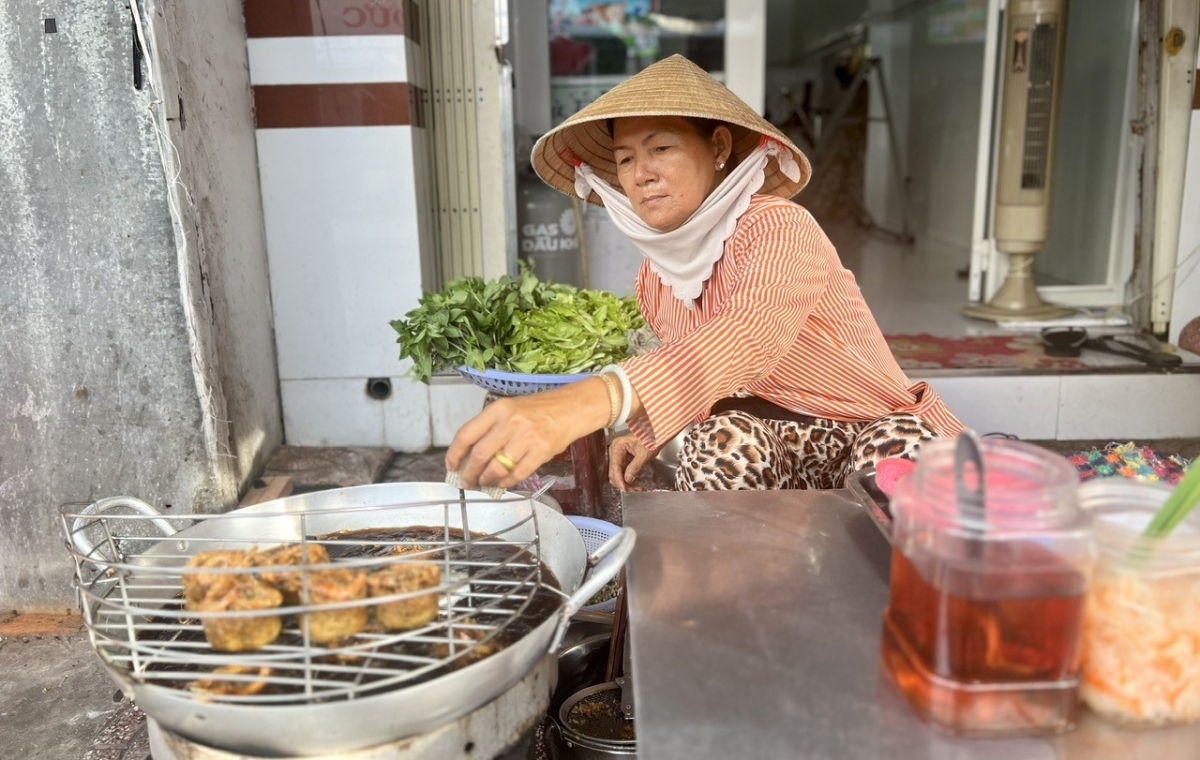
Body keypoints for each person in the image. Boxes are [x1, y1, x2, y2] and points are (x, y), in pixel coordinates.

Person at [447, 55, 963, 493]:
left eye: (661, 148)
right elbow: (709, 384)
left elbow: (744, 338)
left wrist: (582, 404)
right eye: (625, 159)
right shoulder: (655, 278)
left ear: (718, 148)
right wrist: (647, 434)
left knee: (903, 453)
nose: (640, 173)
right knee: (716, 440)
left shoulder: (780, 226)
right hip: (774, 447)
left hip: (865, 430)